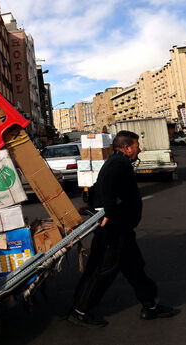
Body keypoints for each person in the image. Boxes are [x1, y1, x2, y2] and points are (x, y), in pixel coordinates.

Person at [69, 130, 178, 328]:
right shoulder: (118, 164)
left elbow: (98, 186)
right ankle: (80, 311)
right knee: (101, 271)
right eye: (137, 146)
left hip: (122, 229)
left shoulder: (115, 162)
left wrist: (91, 205)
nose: (140, 149)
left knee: (135, 268)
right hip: (113, 230)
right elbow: (108, 188)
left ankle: (150, 305)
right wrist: (108, 212)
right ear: (127, 148)